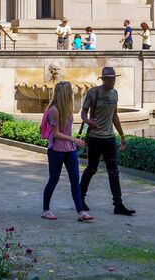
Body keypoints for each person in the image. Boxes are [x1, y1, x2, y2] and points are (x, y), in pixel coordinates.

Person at [80, 67, 135, 216]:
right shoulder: (93, 92)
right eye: (110, 79)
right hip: (95, 138)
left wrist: (122, 136)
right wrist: (87, 121)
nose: (113, 81)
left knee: (114, 171)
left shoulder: (115, 93)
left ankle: (118, 204)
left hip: (109, 138)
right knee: (92, 169)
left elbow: (115, 116)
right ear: (103, 79)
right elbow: (83, 112)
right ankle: (80, 198)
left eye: (114, 78)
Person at [41, 81, 94, 222]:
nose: (72, 93)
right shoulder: (54, 110)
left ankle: (81, 212)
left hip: (69, 150)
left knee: (75, 180)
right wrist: (74, 140)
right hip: (56, 150)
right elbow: (56, 134)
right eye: (70, 91)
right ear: (64, 94)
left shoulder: (67, 109)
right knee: (54, 179)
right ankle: (46, 210)